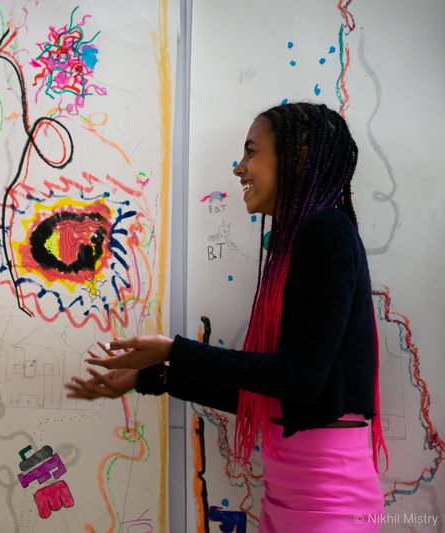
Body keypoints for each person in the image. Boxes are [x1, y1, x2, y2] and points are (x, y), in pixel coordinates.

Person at [66, 102, 387, 532]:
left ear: (299, 156)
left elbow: (301, 378)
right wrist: (152, 376)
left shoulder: (326, 230)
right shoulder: (298, 244)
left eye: (251, 152)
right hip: (290, 496)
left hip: (327, 502)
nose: (239, 169)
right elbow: (270, 398)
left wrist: (175, 352)